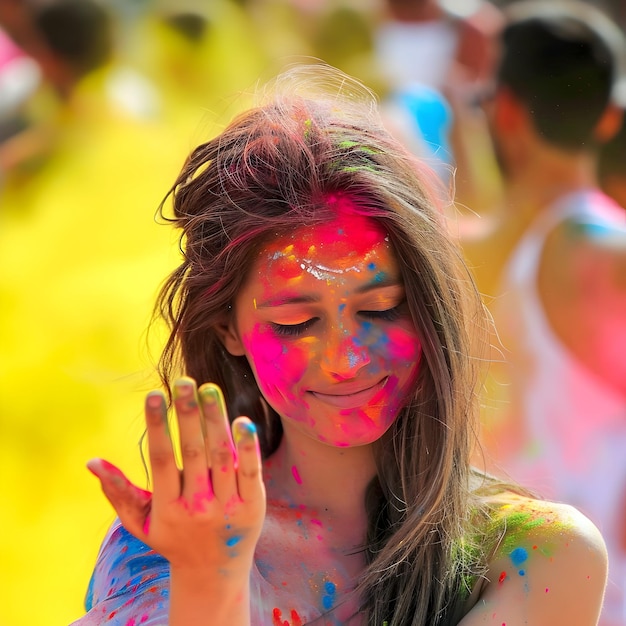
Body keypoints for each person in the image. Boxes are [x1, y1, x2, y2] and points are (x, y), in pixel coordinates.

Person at [74, 63, 608, 626]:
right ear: (227, 328)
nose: (346, 358)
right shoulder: (165, 552)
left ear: (429, 304)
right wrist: (212, 584)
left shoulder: (537, 556)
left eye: (380, 308)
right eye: (296, 322)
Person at [454, 3, 626, 625]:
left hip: (500, 576)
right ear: (609, 118)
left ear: (504, 112)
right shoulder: (602, 251)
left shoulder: (455, 257)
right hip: (599, 581)